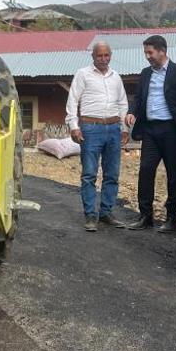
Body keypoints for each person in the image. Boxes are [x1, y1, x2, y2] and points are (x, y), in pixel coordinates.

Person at [126, 35, 176, 232]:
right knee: (145, 171)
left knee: (173, 174)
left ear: (162, 51)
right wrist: (132, 112)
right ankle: (145, 216)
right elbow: (138, 97)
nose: (147, 56)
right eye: (146, 53)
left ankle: (172, 218)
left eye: (150, 52)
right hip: (150, 130)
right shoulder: (145, 74)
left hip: (171, 130)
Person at [66, 42, 129, 231]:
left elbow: (123, 103)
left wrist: (124, 127)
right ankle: (90, 216)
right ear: (93, 57)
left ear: (111, 56)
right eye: (99, 56)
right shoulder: (83, 74)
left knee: (112, 174)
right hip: (90, 128)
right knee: (89, 175)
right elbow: (73, 100)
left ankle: (106, 213)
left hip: (113, 128)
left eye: (106, 55)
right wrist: (74, 126)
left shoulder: (116, 77)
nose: (103, 59)